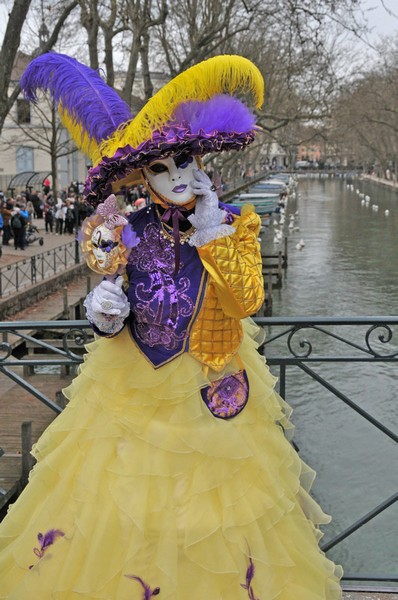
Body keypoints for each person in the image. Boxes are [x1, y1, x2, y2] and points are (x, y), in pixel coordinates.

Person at [0, 53, 343, 599]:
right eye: (161, 168)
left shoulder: (233, 226)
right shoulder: (127, 231)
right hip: (132, 388)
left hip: (212, 383)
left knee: (216, 515)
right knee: (126, 509)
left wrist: (213, 233)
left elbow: (248, 299)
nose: (178, 175)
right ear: (144, 177)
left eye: (185, 160)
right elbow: (118, 310)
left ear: (202, 160)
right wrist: (107, 313)